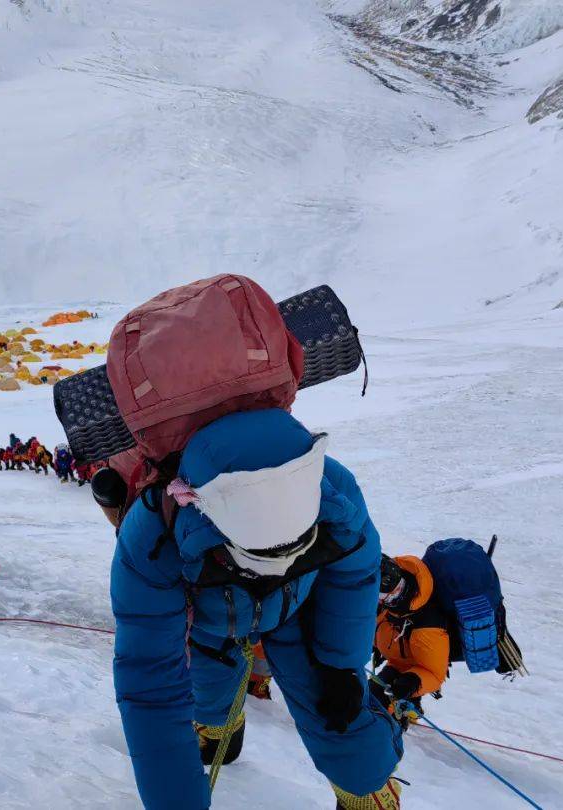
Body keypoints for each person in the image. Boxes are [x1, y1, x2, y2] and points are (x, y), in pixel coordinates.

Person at [104, 276, 402, 810]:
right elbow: (151, 689)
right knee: (209, 696)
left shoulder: (330, 489)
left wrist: (342, 664)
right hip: (219, 622)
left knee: (348, 730)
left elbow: (354, 572)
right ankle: (221, 727)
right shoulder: (153, 536)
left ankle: (365, 788)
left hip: (291, 613)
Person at [371, 554, 451, 729]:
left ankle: (403, 715)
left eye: (390, 596)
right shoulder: (386, 603)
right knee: (372, 696)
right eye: (382, 598)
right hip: (396, 663)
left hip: (417, 672)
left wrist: (412, 683)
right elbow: (377, 624)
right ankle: (410, 707)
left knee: (381, 708)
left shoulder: (428, 625)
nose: (386, 601)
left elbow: (435, 674)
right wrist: (373, 644)